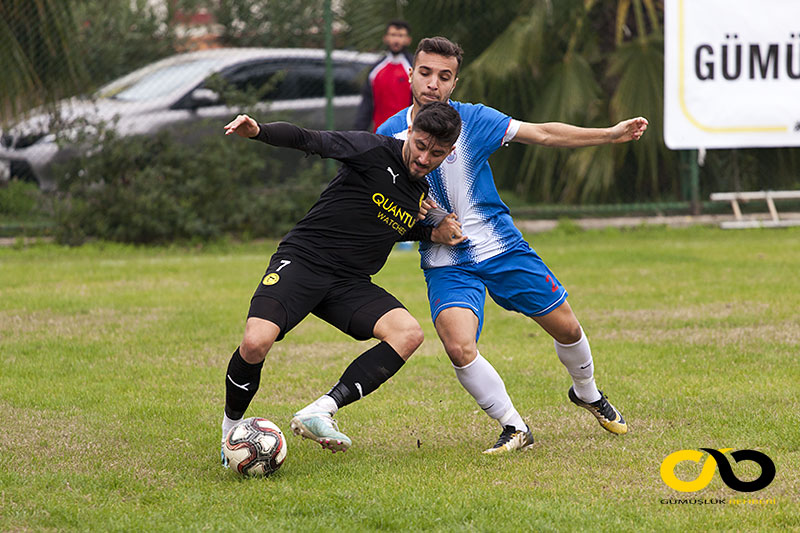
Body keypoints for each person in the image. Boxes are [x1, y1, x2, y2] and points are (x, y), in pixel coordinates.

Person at [377, 37, 649, 454]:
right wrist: (428, 224)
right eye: (426, 72)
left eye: (444, 76)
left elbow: (541, 133)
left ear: (454, 83)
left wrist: (610, 135)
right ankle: (514, 427)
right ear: (411, 73)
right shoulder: (387, 136)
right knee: (458, 345)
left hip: (502, 247)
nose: (433, 83)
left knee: (568, 327)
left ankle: (587, 393)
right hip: (445, 261)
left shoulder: (475, 120)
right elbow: (382, 204)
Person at [219, 101, 462, 463]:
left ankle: (320, 411)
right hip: (304, 261)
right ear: (410, 132)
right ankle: (230, 436)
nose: (425, 158)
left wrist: (433, 232)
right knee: (255, 343)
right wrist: (260, 131)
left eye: (437, 153)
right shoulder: (373, 149)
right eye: (421, 145)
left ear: (450, 153)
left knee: (408, 334)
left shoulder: (419, 195)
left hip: (348, 283)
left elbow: (383, 226)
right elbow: (311, 139)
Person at [354, 20, 413, 132]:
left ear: (408, 40)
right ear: (385, 38)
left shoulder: (414, 68)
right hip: (380, 134)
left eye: (400, 36)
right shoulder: (376, 70)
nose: (396, 40)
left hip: (407, 135)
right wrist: (358, 133)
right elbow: (366, 104)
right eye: (393, 35)